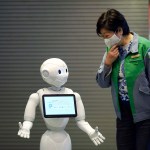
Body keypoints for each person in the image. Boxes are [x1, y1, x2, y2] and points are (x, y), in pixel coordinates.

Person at [18, 58, 105, 150]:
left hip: (65, 139)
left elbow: (81, 120)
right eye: (60, 71)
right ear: (45, 73)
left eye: (65, 71)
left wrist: (90, 131)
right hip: (48, 139)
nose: (64, 75)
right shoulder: (38, 95)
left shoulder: (73, 95)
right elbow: (28, 120)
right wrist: (25, 127)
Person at [96, 8, 150, 150]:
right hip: (123, 115)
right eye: (103, 36)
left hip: (146, 116)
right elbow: (102, 83)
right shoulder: (111, 51)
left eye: (107, 35)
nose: (105, 40)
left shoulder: (144, 47)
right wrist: (107, 63)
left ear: (119, 30)